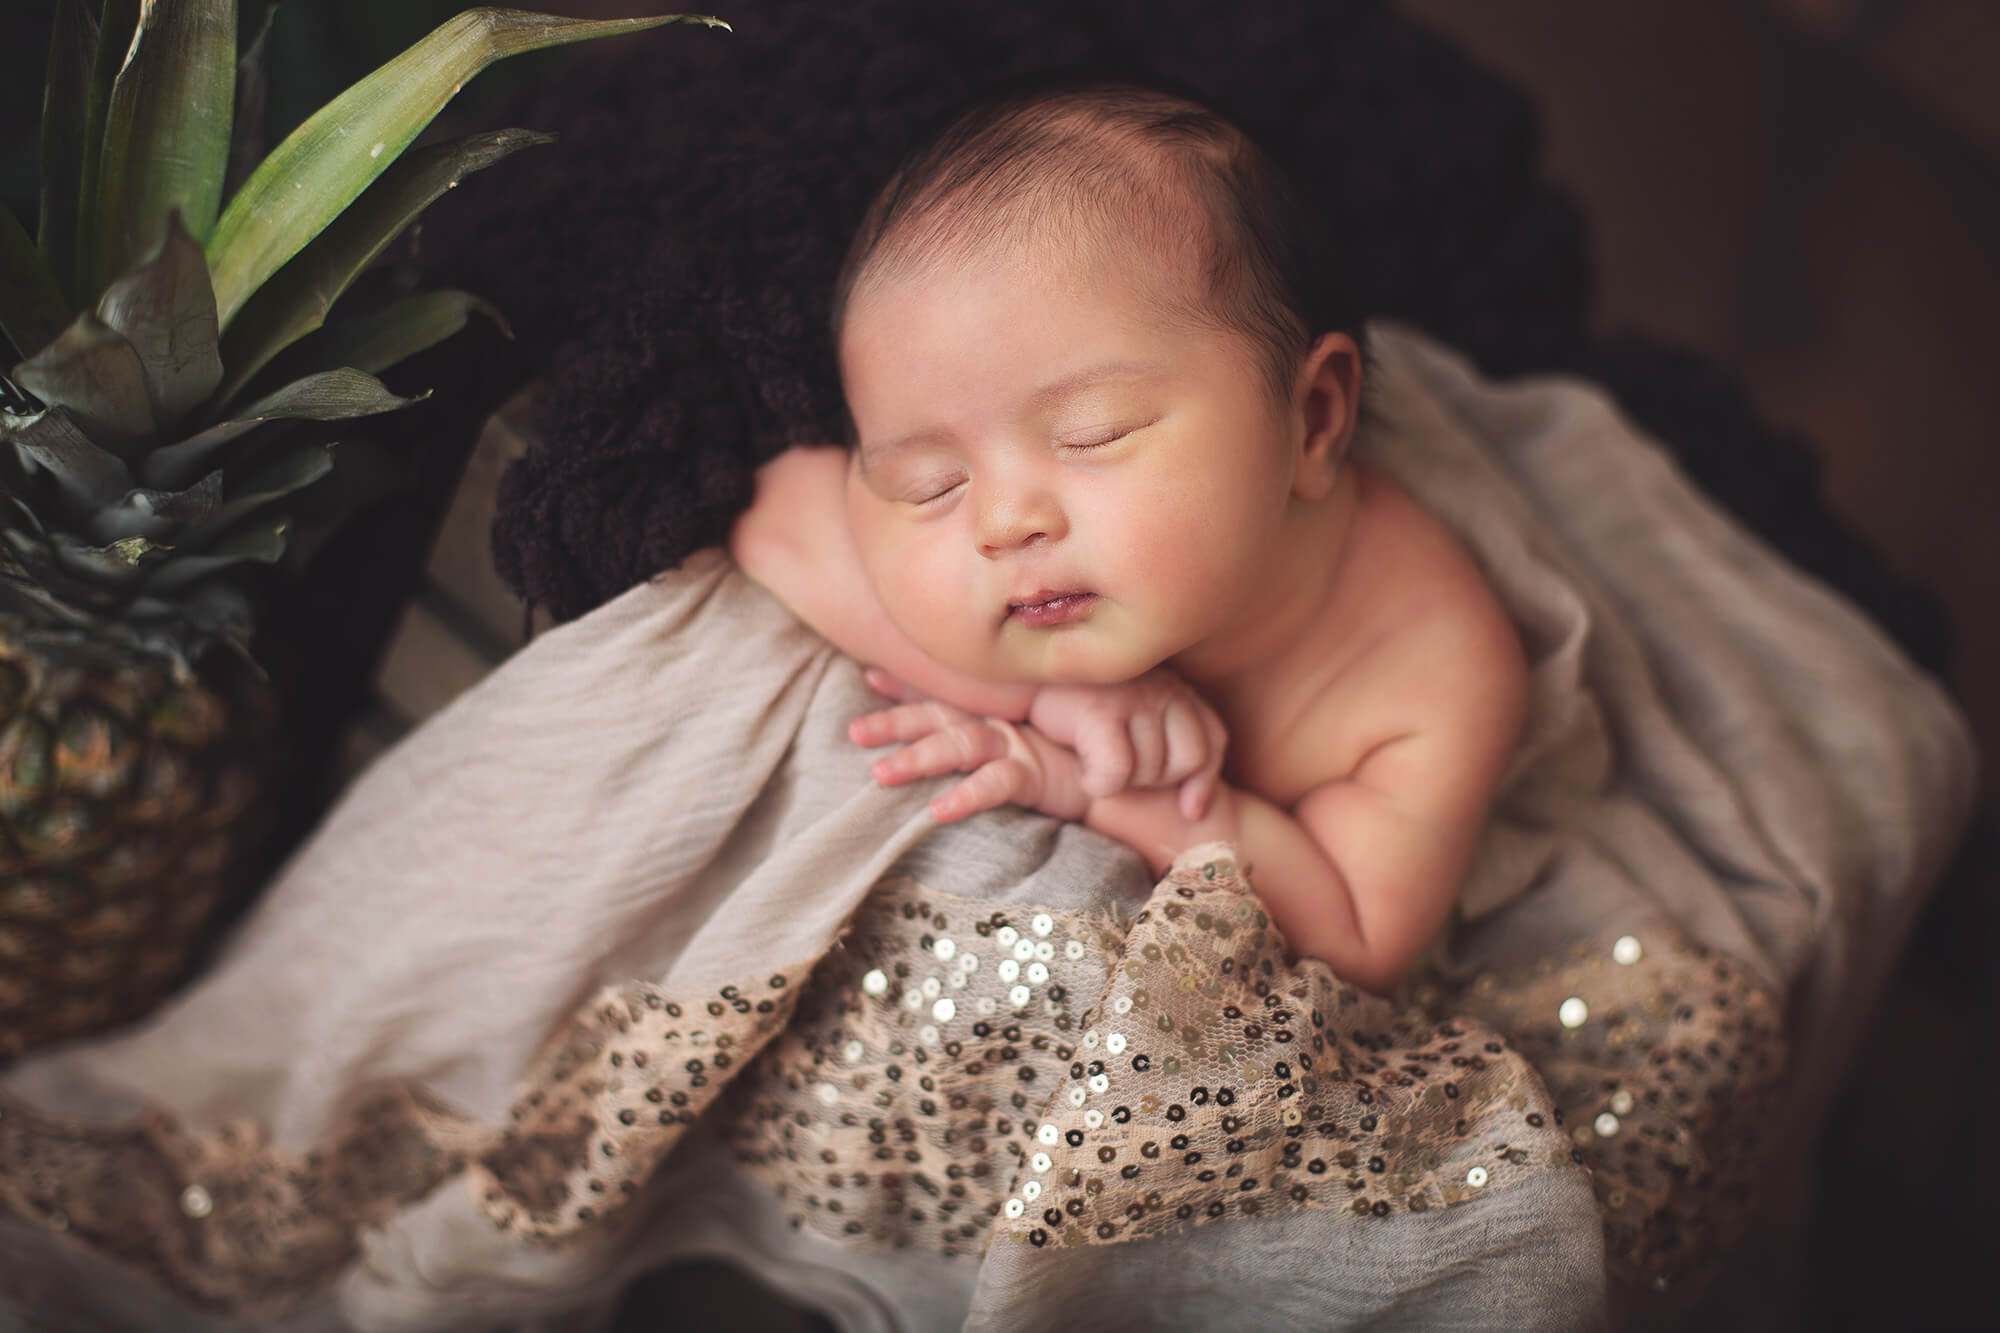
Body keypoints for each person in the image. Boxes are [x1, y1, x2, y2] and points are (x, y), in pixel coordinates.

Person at [731, 75, 1525, 993]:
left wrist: (1115, 789)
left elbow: (1358, 933)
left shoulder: (1434, 663)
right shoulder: (955, 522)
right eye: (931, 483)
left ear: (1311, 420)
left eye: (1093, 434)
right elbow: (776, 517)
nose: (1002, 521)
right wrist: (1051, 701)